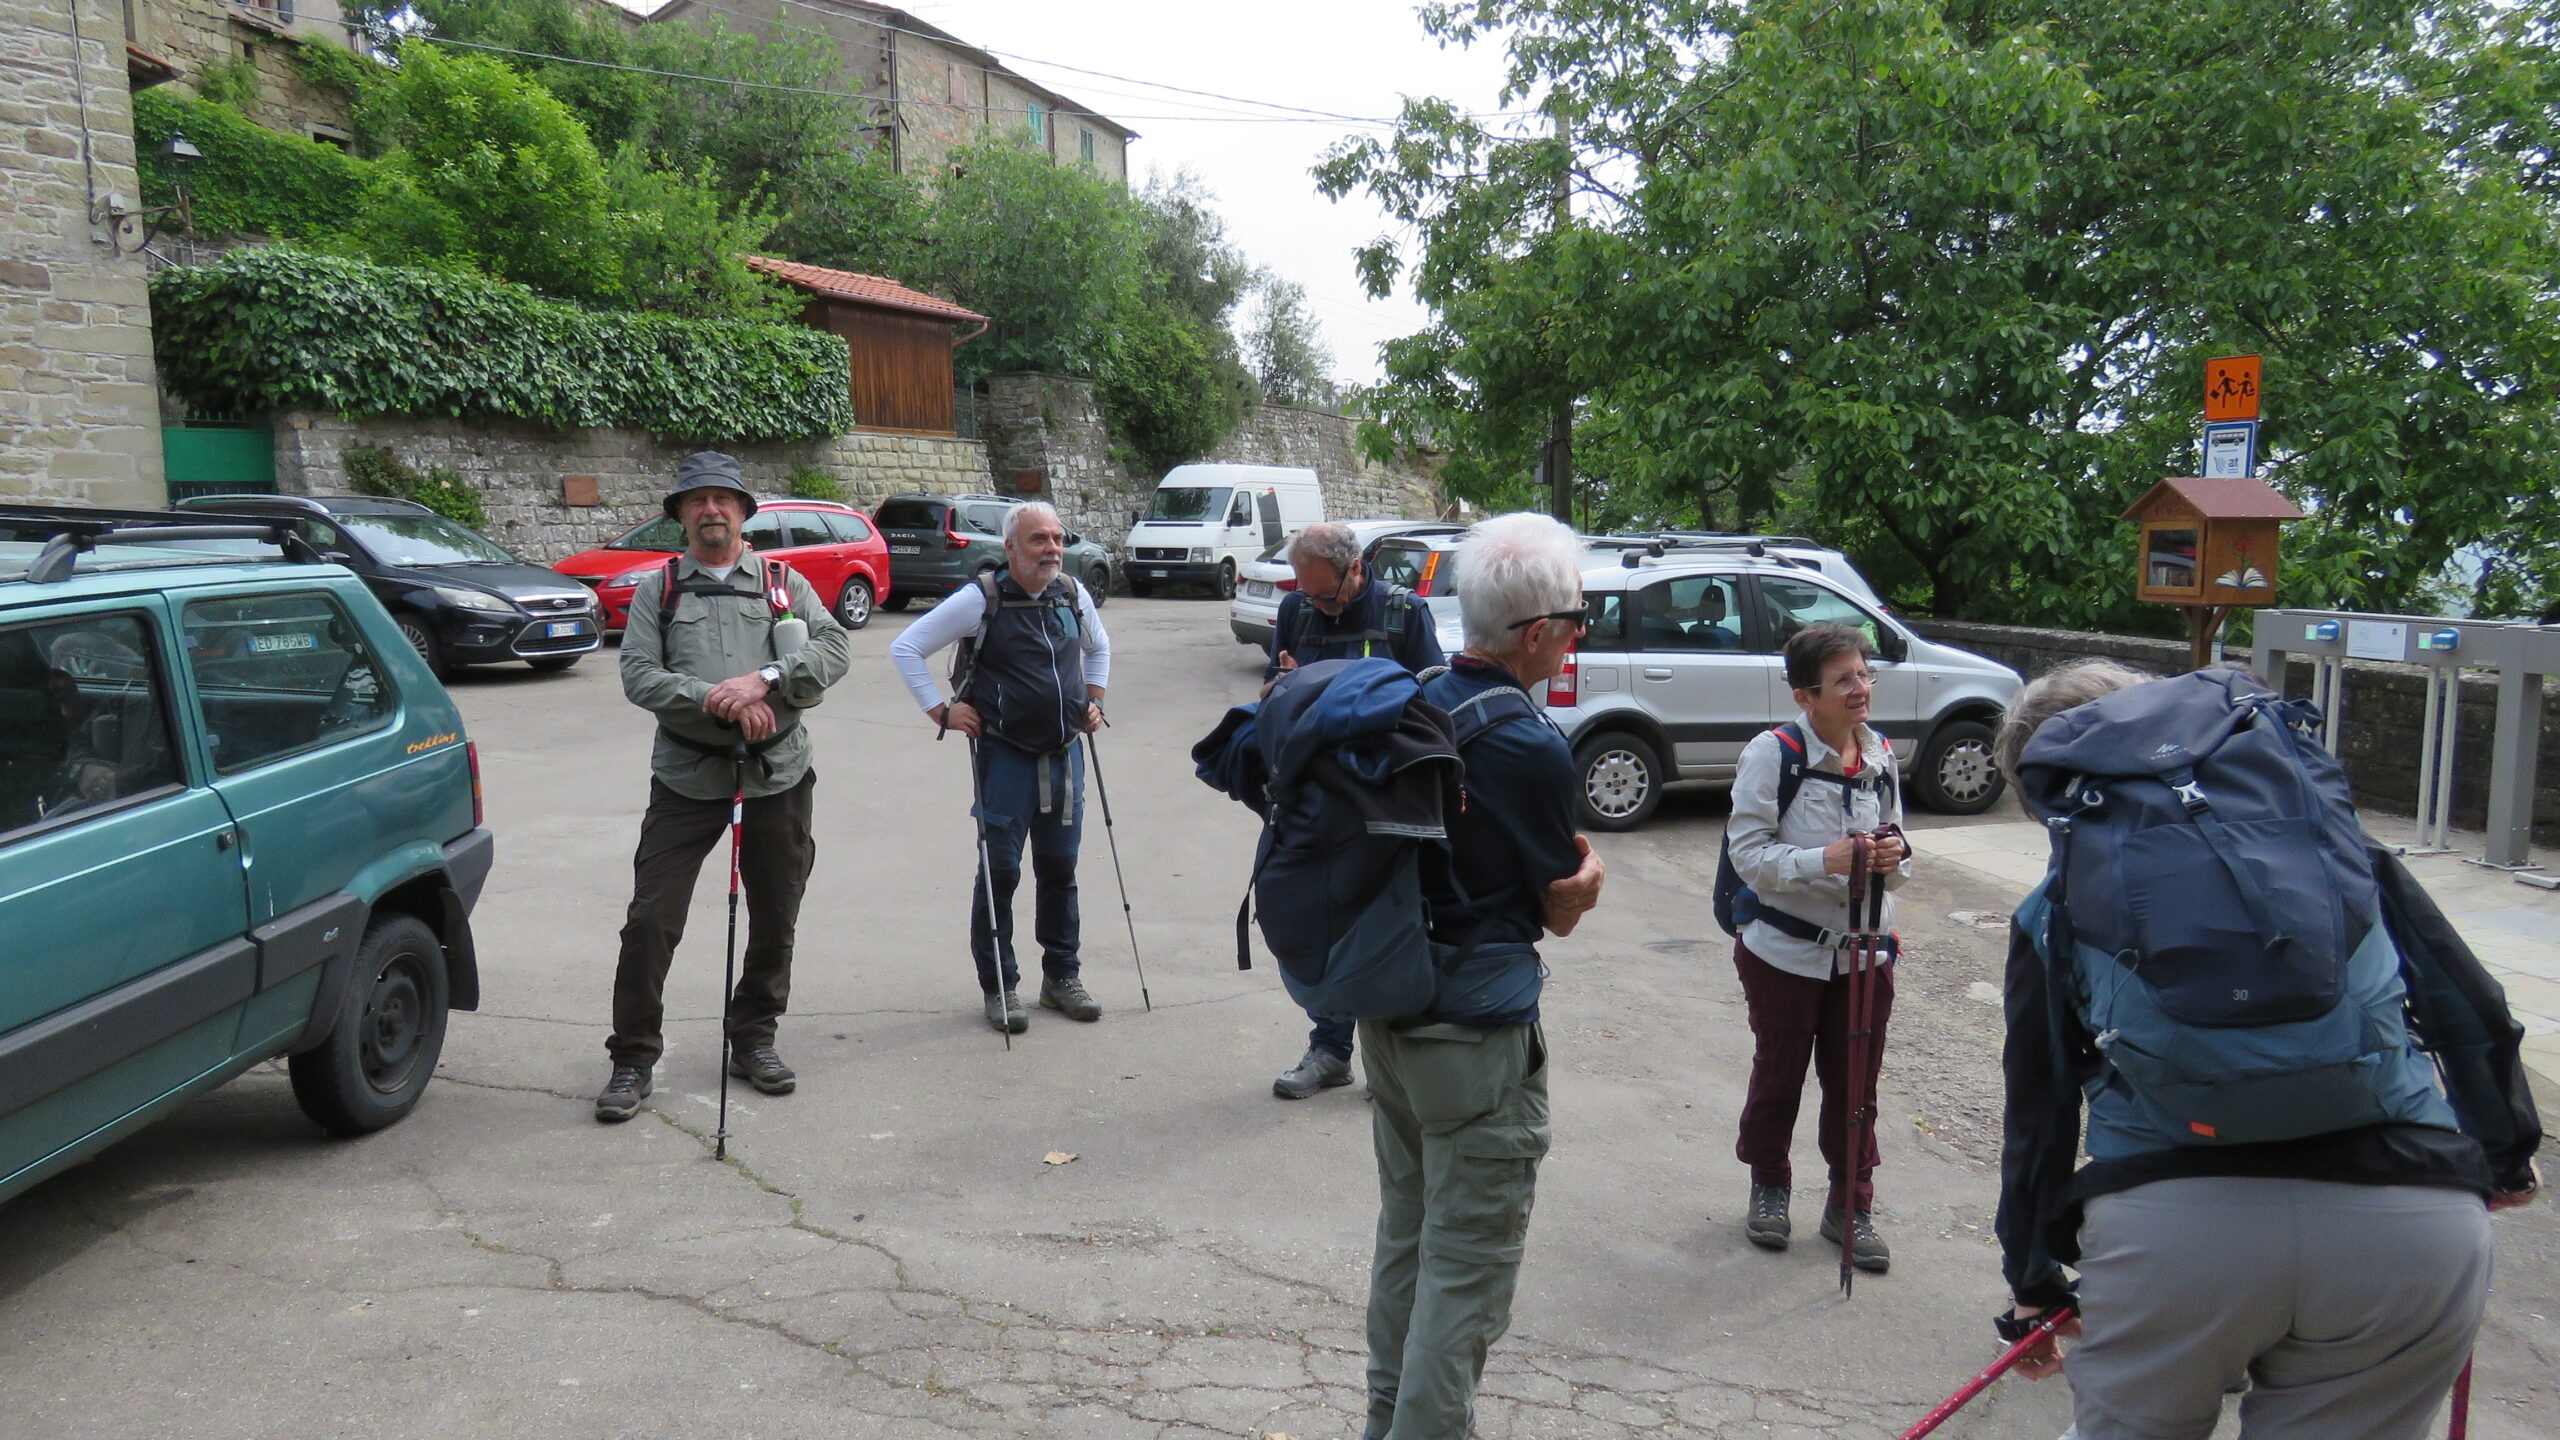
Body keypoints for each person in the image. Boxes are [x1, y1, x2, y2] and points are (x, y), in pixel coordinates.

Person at [1991, 660, 2539, 1440]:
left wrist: (2034, 1283)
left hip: (2171, 1234)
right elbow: (2468, 1006)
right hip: (2411, 1220)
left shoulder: (2053, 911)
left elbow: (2038, 1110)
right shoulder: (2337, 854)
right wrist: (2506, 1155)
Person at [1362, 512, 1605, 1440]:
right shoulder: (1530, 745)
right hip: (1475, 1039)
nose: (1578, 634)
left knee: (1408, 1239)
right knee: (1465, 1272)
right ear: (1536, 633)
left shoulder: (1415, 697)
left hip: (1390, 1015)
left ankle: (1385, 1421)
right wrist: (1590, 876)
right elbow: (1559, 906)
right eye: (1575, 620)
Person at [595, 452, 851, 1123]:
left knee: (776, 912)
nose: (710, 510)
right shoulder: (660, 590)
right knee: (651, 920)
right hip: (687, 776)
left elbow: (833, 650)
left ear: (743, 511)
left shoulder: (783, 582)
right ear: (680, 515)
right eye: (696, 500)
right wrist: (716, 698)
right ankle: (633, 1057)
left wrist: (764, 681)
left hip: (777, 771)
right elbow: (639, 675)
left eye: (723, 499)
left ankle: (754, 1037)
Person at [1723, 622, 1908, 1269]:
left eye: (1864, 674)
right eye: (1843, 680)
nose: (1861, 689)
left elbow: (1900, 849)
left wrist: (1892, 857)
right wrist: (1822, 861)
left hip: (1865, 952)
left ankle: (1850, 1205)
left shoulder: (1880, 753)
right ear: (1806, 696)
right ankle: (1770, 1186)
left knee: (1857, 1085)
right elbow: (1748, 856)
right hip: (1784, 950)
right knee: (1780, 1074)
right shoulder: (1772, 755)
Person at [888, 501, 1110, 1034]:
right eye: (1038, 539)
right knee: (1001, 874)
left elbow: (1099, 648)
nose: (1052, 549)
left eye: (1057, 539)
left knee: (1060, 871)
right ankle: (1000, 987)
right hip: (1005, 756)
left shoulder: (1072, 593)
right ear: (1010, 547)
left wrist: (1095, 700)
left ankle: (1062, 978)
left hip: (1065, 755)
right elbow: (906, 647)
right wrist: (941, 711)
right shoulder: (980, 599)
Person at [1264, 521, 1447, 1101]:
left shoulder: (1403, 614)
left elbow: (1435, 700)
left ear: (1356, 569)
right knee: (1323, 922)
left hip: (1388, 800)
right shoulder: (1297, 610)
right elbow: (1271, 691)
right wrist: (1282, 686)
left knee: (1395, 923)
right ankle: (1330, 1050)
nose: (1315, 603)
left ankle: (1393, 1062)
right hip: (1315, 801)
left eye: (1324, 593)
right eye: (1306, 592)